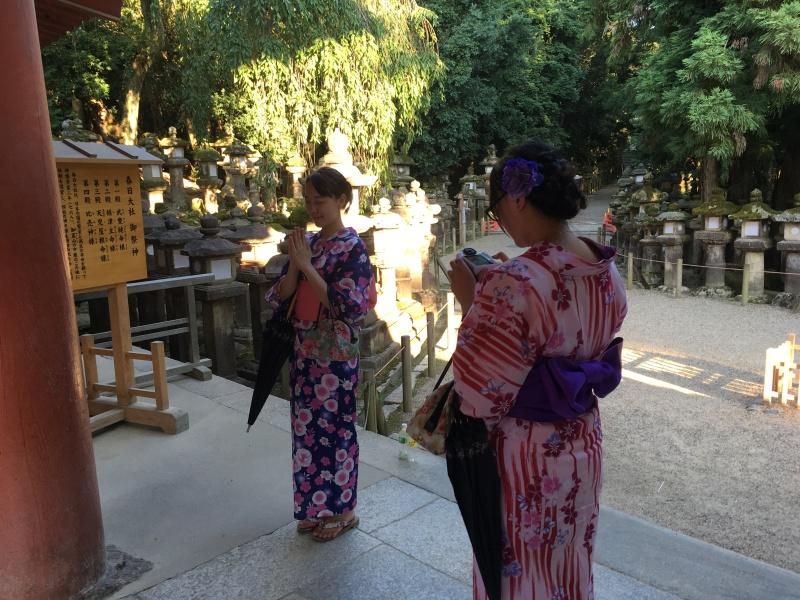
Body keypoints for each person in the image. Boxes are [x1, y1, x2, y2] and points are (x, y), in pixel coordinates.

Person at [449, 141, 627, 599]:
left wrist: (474, 304)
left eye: (498, 208)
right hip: (582, 442)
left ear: (518, 198)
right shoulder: (607, 271)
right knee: (568, 566)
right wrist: (499, 294)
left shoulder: (514, 282)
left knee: (519, 574)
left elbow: (477, 392)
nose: (500, 220)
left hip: (525, 456)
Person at [265, 167, 374, 542]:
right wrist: (296, 264)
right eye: (308, 201)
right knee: (306, 431)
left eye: (320, 201)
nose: (313, 208)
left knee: (336, 432)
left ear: (342, 200)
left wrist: (308, 266)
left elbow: (349, 306)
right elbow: (280, 296)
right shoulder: (307, 242)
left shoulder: (353, 248)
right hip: (305, 353)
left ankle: (343, 511)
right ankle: (314, 508)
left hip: (335, 358)